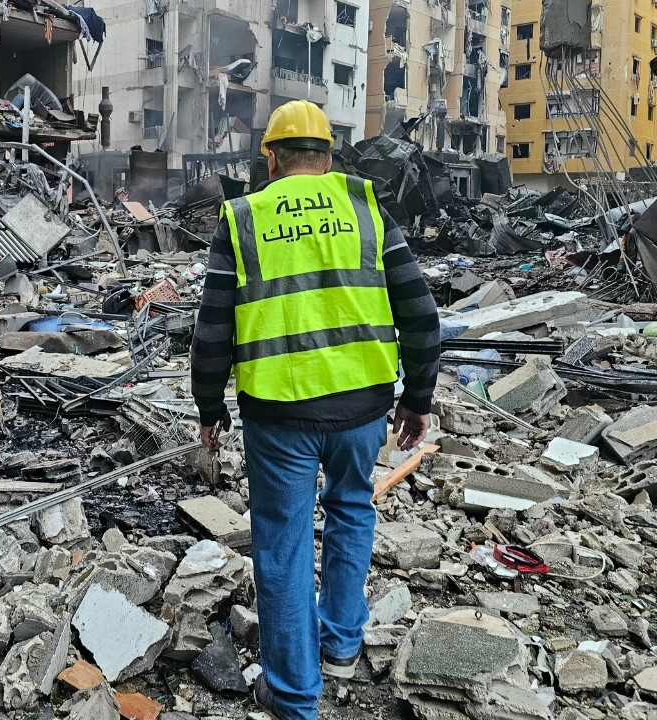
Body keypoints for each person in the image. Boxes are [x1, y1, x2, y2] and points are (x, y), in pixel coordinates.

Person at [189, 100, 440, 720]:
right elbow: (420, 312)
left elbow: (213, 327)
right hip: (362, 405)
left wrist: (209, 407)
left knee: (284, 544)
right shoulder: (366, 207)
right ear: (328, 158)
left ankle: (295, 695)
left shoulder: (244, 216)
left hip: (279, 414)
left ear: (271, 159)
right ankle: (341, 646)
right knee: (352, 510)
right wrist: (418, 398)